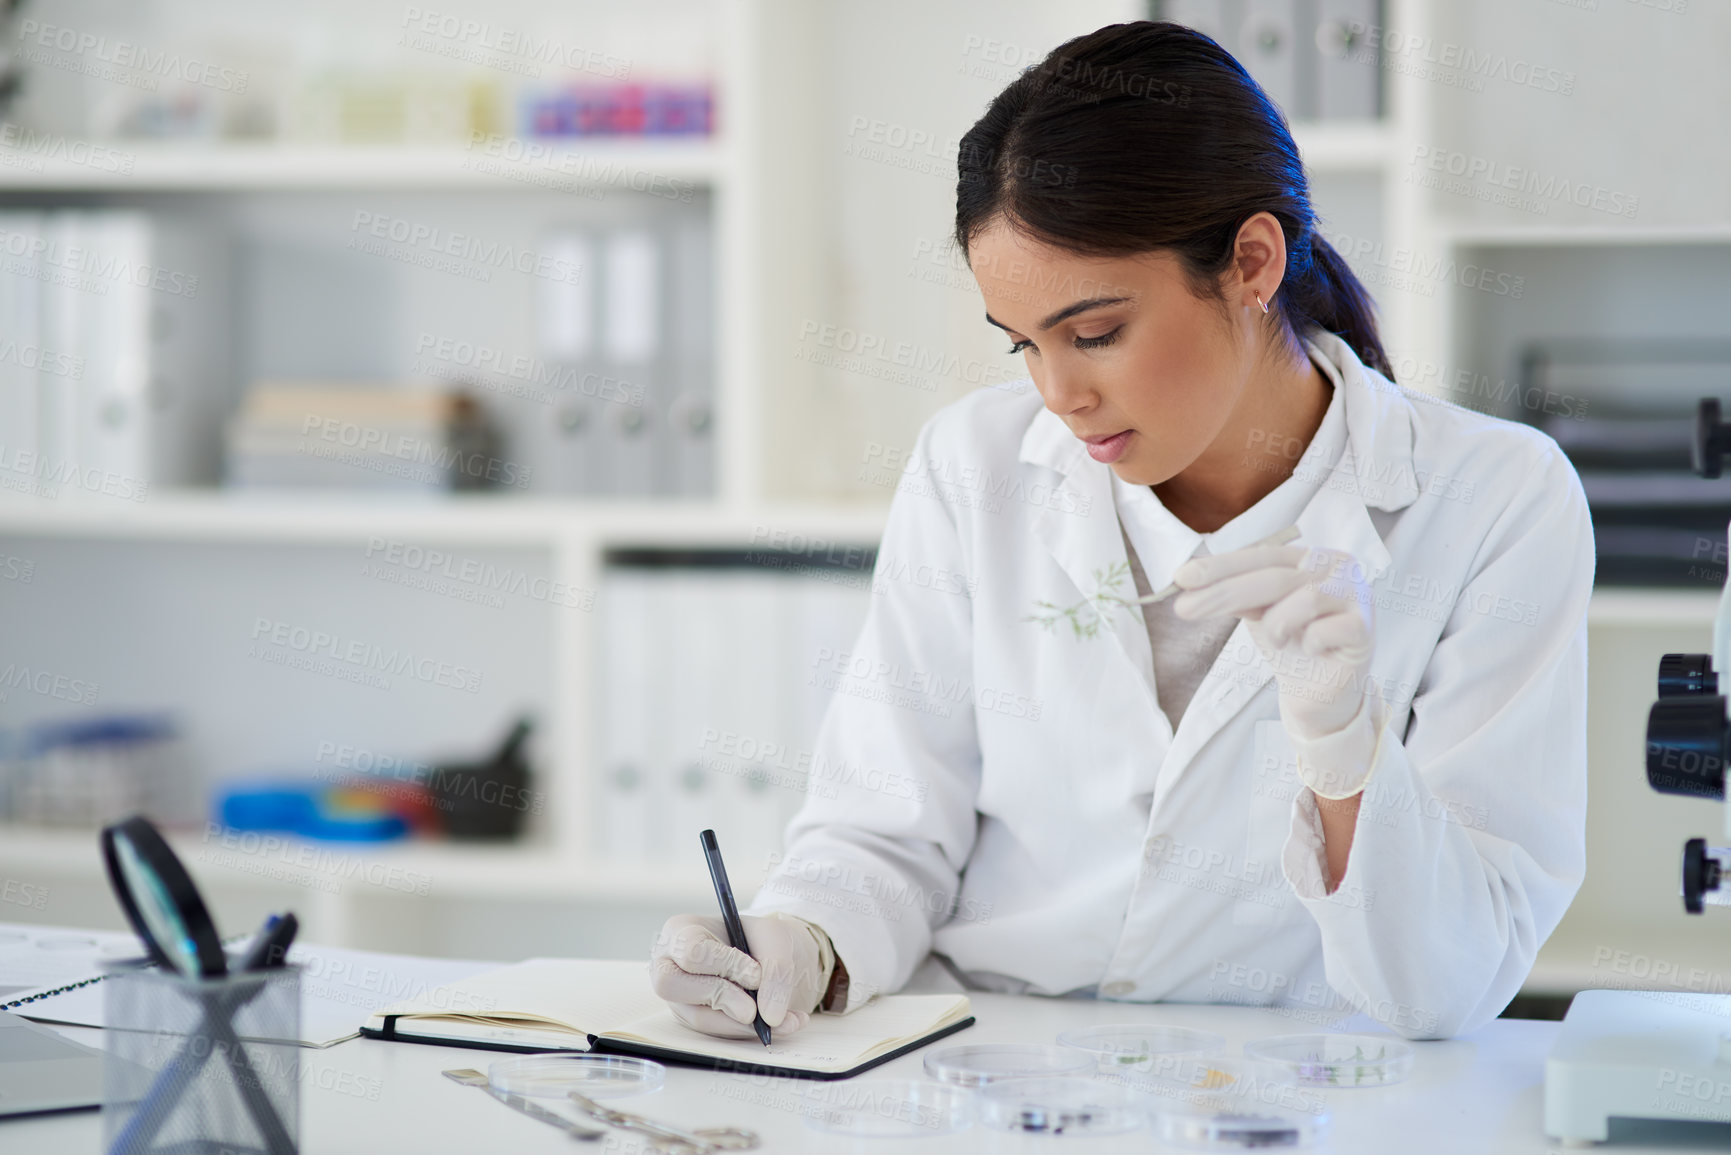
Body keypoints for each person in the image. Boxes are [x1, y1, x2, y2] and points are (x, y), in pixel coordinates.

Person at [649, 20, 1592, 1042]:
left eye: (1096, 334)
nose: (1059, 395)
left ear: (1252, 262)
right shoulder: (974, 467)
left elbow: (1451, 982)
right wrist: (808, 938)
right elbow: (885, 831)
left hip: (1304, 1097)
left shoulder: (1496, 500)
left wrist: (1345, 749)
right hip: (992, 1069)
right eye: (1024, 346)